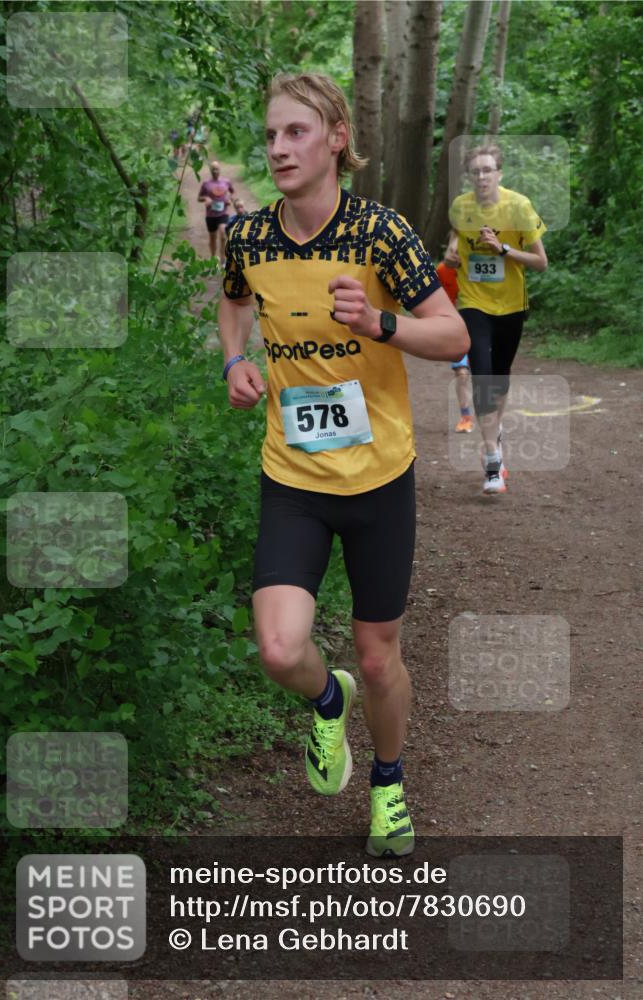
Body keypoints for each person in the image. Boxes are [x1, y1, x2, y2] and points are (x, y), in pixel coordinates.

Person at [219, 72, 468, 857]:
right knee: (279, 649)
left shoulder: (379, 235)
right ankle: (330, 703)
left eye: (294, 132)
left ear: (333, 139)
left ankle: (388, 783)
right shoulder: (250, 237)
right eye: (269, 135)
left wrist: (380, 321)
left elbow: (453, 335)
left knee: (377, 649)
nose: (277, 148)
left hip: (379, 479)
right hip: (293, 477)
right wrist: (232, 361)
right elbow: (232, 297)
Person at [445, 144, 547, 494]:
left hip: (511, 307)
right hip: (473, 303)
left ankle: (494, 431)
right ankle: (492, 459)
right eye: (476, 171)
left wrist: (503, 249)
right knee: (483, 377)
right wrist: (453, 249)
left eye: (488, 170)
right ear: (469, 176)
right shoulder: (460, 206)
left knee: (499, 379)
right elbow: (458, 232)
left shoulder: (518, 206)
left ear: (499, 174)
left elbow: (540, 262)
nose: (482, 176)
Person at [436, 260, 473, 433]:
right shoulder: (442, 271)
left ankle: (492, 415)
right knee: (462, 373)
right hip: (457, 328)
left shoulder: (483, 261)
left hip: (483, 326)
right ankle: (465, 417)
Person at [198, 161, 235, 263]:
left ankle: (223, 259)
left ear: (220, 169)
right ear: (210, 170)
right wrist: (206, 198)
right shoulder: (206, 184)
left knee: (223, 235)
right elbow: (199, 197)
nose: (215, 171)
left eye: (217, 169)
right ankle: (213, 259)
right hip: (210, 215)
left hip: (223, 213)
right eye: (213, 169)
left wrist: (229, 198)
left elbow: (233, 191)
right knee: (213, 238)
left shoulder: (226, 181)